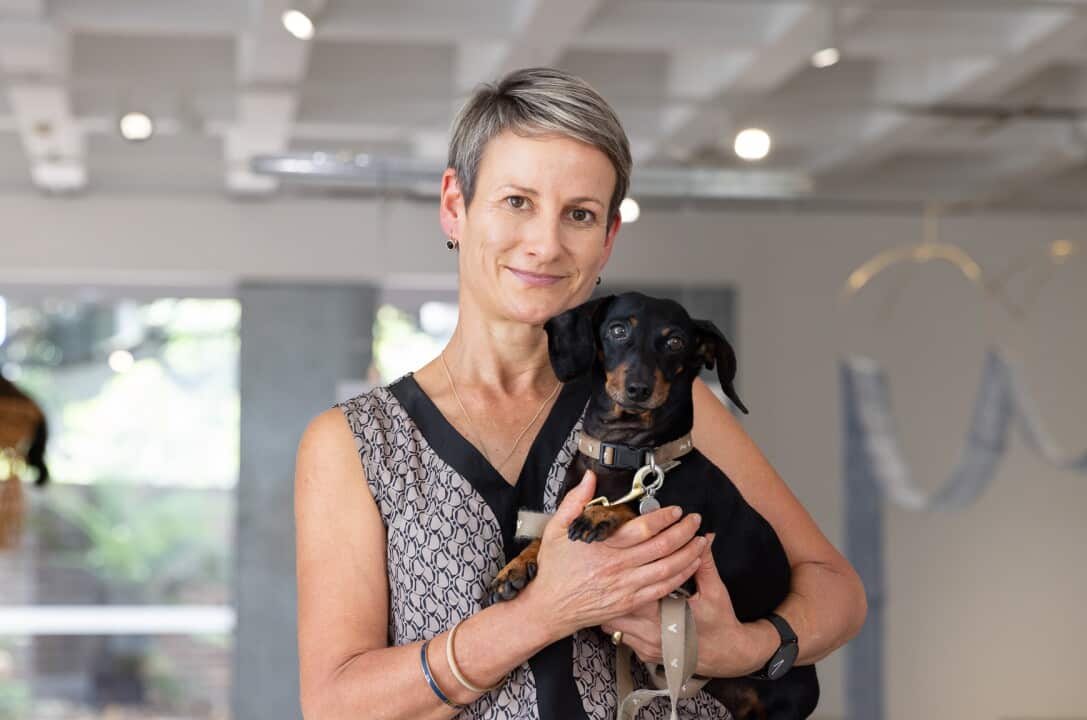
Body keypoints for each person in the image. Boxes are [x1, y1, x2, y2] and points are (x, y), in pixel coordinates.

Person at [294, 67, 866, 719]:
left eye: (580, 214)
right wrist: (543, 612)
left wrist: (745, 649)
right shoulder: (359, 444)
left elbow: (837, 588)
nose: (545, 244)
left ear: (608, 239)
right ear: (455, 204)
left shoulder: (668, 411)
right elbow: (335, 704)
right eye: (517, 201)